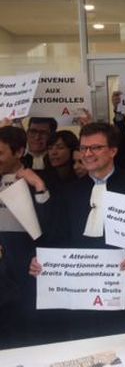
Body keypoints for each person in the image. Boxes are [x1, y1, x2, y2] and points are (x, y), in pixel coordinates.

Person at [29, 122, 125, 341]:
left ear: (113, 151)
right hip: (81, 296)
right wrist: (43, 262)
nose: (87, 154)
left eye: (95, 147)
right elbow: (58, 238)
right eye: (84, 148)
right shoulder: (69, 192)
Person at [0, 126, 52, 348]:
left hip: (25, 268)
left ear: (19, 152)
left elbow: (51, 225)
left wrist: (39, 187)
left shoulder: (40, 179)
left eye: (0, 153)